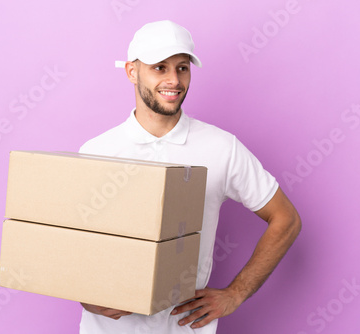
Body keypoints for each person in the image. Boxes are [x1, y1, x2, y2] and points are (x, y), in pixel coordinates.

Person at [78, 20, 301, 333]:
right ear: (132, 71)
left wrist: (236, 294)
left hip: (185, 327)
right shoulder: (97, 151)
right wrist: (83, 296)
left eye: (182, 68)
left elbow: (286, 219)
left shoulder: (221, 147)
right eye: (159, 67)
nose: (174, 80)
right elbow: (75, 242)